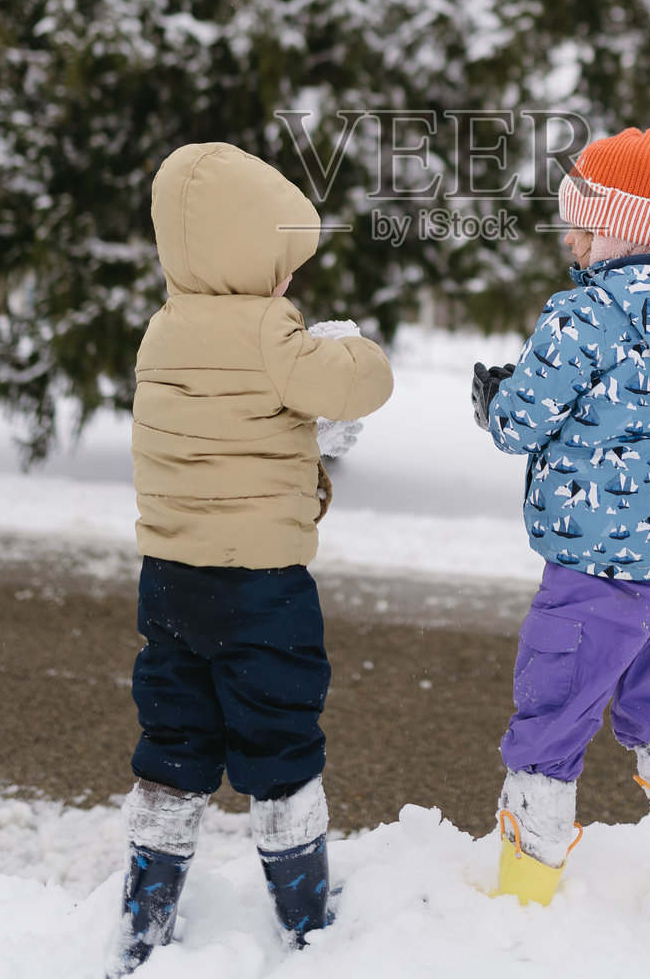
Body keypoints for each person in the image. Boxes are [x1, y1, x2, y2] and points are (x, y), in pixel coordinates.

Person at [108, 142, 393, 974]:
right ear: (250, 258)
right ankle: (303, 915)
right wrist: (353, 348)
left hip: (168, 581)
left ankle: (145, 910)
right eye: (279, 263)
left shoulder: (160, 330)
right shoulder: (272, 329)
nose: (285, 282)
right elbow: (352, 389)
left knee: (175, 736)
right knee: (278, 741)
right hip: (262, 587)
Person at [472, 125, 650, 922]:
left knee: (551, 719)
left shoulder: (584, 312)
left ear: (624, 228)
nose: (571, 239)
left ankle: (519, 907)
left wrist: (497, 398)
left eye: (583, 223)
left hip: (592, 566)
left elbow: (523, 422)